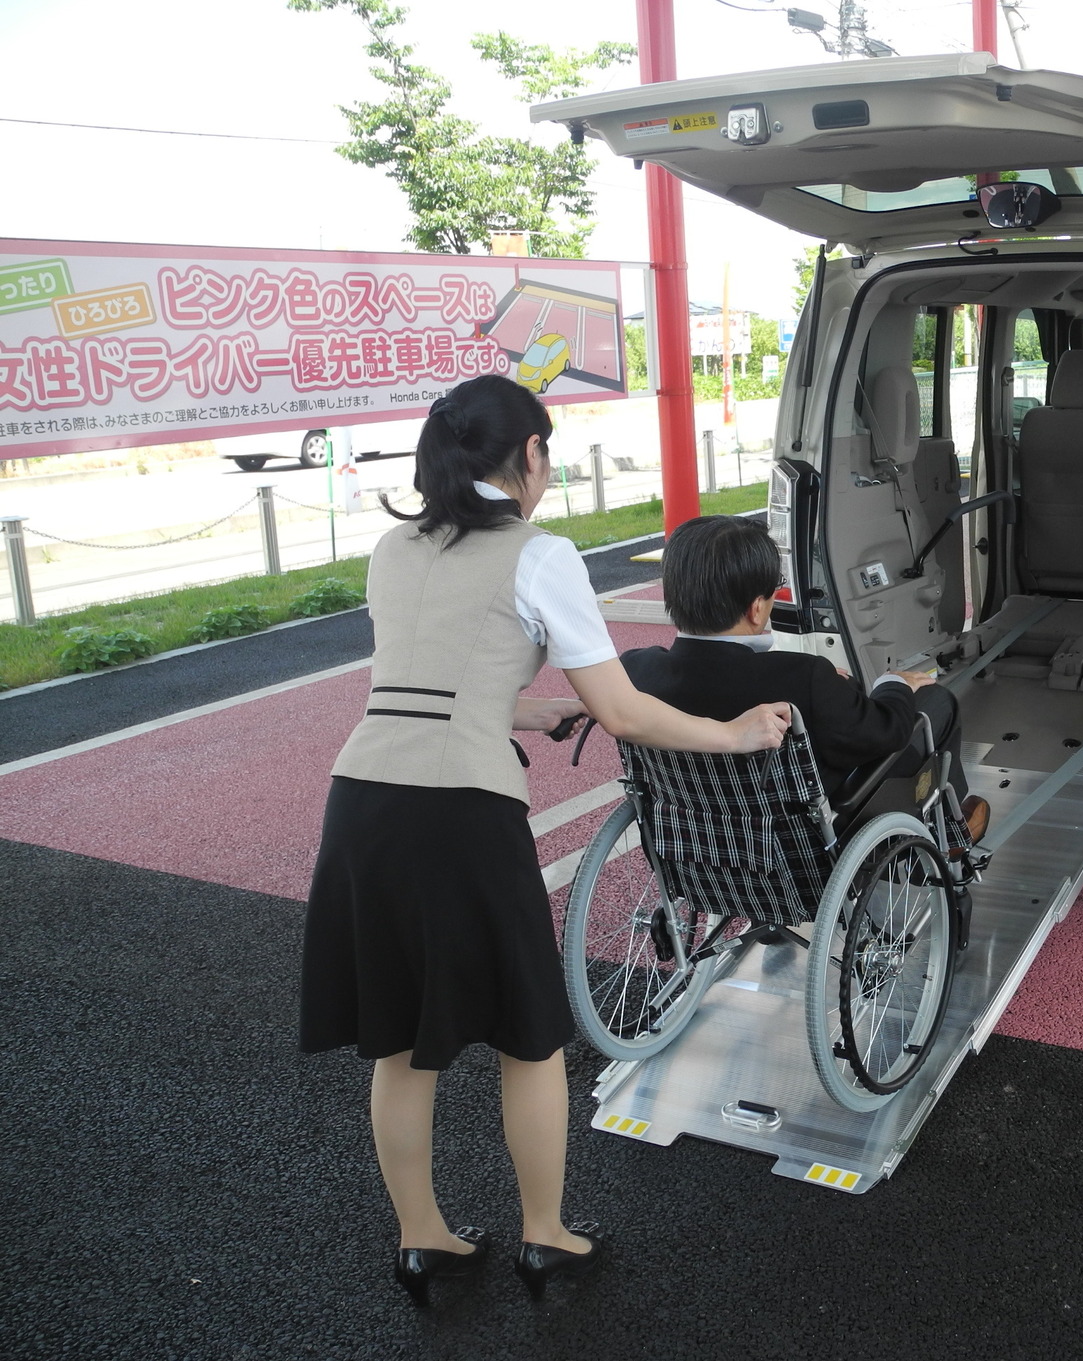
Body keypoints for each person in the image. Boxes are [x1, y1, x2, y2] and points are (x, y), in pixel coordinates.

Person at [298, 376, 788, 1307]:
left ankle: (424, 1241)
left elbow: (427, 684)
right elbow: (623, 708)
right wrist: (734, 732)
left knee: (399, 1044)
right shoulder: (538, 552)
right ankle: (547, 1236)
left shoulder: (393, 547)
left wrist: (533, 707)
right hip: (460, 814)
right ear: (529, 454)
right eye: (548, 452)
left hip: (361, 802)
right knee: (527, 1035)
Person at [619, 514, 988, 844]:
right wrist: (893, 685)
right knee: (937, 704)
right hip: (806, 845)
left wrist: (830, 688)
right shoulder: (802, 676)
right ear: (757, 607)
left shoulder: (635, 672)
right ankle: (951, 830)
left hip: (697, 846)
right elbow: (884, 732)